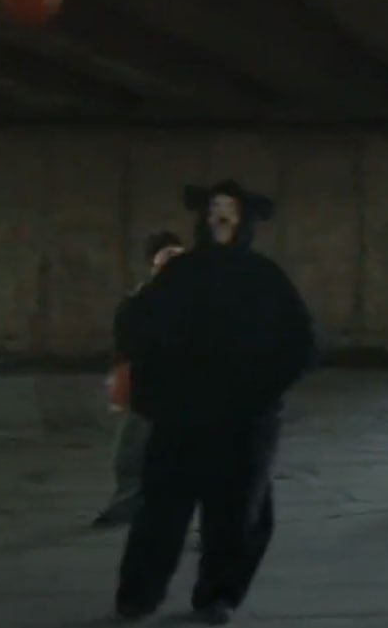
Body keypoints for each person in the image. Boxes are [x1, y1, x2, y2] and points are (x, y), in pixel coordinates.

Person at [114, 180, 315, 625]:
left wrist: (262, 393)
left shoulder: (264, 277)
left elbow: (299, 342)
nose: (222, 215)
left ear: (243, 219)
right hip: (182, 416)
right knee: (161, 511)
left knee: (238, 514)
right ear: (204, 218)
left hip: (244, 420)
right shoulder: (180, 274)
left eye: (230, 208)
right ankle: (138, 596)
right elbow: (135, 329)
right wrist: (155, 395)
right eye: (215, 207)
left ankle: (218, 596)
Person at [92, 230, 185, 528]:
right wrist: (121, 382)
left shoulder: (197, 300)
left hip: (186, 386)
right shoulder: (138, 301)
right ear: (153, 263)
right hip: (147, 385)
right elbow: (125, 347)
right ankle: (128, 505)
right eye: (166, 258)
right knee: (130, 454)